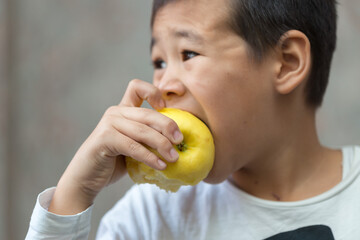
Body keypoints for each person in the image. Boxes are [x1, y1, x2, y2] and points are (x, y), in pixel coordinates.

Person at [26, 0, 360, 239]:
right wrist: (75, 194)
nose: (164, 85)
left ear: (286, 62)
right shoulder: (152, 216)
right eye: (159, 61)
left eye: (188, 54)